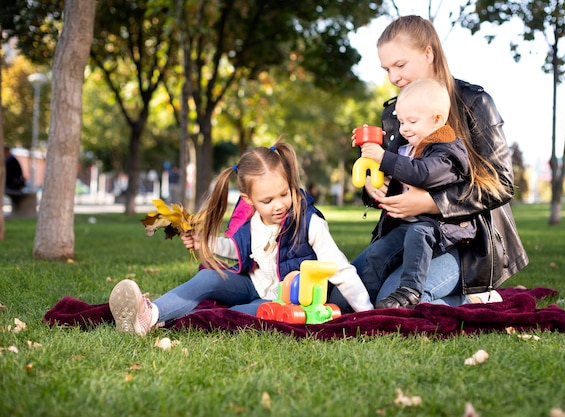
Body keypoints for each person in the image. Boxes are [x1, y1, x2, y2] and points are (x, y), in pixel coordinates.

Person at [329, 15, 528, 310]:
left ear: (428, 53)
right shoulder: (397, 112)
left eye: (400, 65)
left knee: (395, 301)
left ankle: (474, 297)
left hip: (464, 242)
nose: (394, 77)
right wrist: (375, 186)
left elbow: (502, 184)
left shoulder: (475, 103)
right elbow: (398, 169)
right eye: (387, 69)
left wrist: (432, 203)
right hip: (407, 236)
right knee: (343, 298)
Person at [109, 141, 373, 336]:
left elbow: (342, 270)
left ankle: (174, 319)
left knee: (241, 315)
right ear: (249, 201)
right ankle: (150, 314)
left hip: (283, 300)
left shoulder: (309, 222)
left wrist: (369, 314)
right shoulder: (252, 223)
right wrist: (205, 243)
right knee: (209, 277)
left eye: (285, 194)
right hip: (251, 284)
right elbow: (237, 250)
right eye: (267, 200)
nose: (279, 205)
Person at [359, 78, 506, 309]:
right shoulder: (406, 143)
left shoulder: (448, 150)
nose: (404, 128)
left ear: (437, 119)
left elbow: (423, 174)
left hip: (441, 227)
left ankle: (411, 291)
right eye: (401, 121)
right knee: (379, 251)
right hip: (405, 224)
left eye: (412, 121)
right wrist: (371, 175)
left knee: (419, 234)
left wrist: (384, 158)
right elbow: (389, 173)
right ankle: (362, 300)